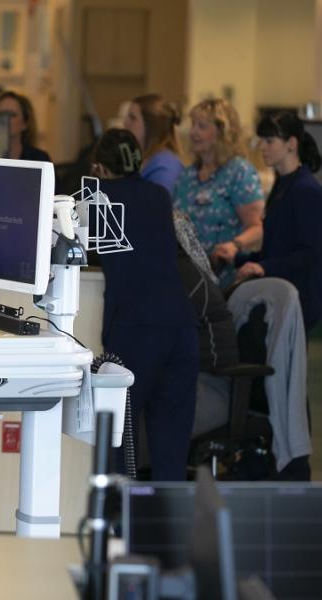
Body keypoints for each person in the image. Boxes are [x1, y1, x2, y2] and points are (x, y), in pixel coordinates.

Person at [93, 128, 199, 481]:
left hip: (135, 332)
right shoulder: (158, 195)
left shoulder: (97, 199)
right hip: (180, 328)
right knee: (170, 452)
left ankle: (119, 532)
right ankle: (170, 533)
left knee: (119, 449)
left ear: (99, 168)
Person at [236, 111, 322, 333]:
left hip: (296, 299)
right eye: (261, 140)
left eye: (269, 141)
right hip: (278, 294)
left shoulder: (304, 190)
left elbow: (308, 253)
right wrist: (239, 259)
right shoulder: (283, 184)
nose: (262, 147)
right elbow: (276, 247)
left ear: (291, 143)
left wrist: (262, 267)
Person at [173, 98, 264, 286]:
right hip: (187, 277)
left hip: (225, 279)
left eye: (202, 126)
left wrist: (235, 245)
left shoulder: (239, 172)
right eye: (193, 125)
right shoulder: (187, 176)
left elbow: (256, 227)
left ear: (222, 132)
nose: (193, 132)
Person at [123, 93, 184, 195]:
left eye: (132, 118)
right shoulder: (146, 160)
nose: (125, 123)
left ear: (151, 126)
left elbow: (157, 208)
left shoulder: (165, 169)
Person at [0, 91, 51, 162]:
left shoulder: (39, 159)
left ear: (25, 123)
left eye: (12, 115)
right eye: (0, 114)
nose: (4, 119)